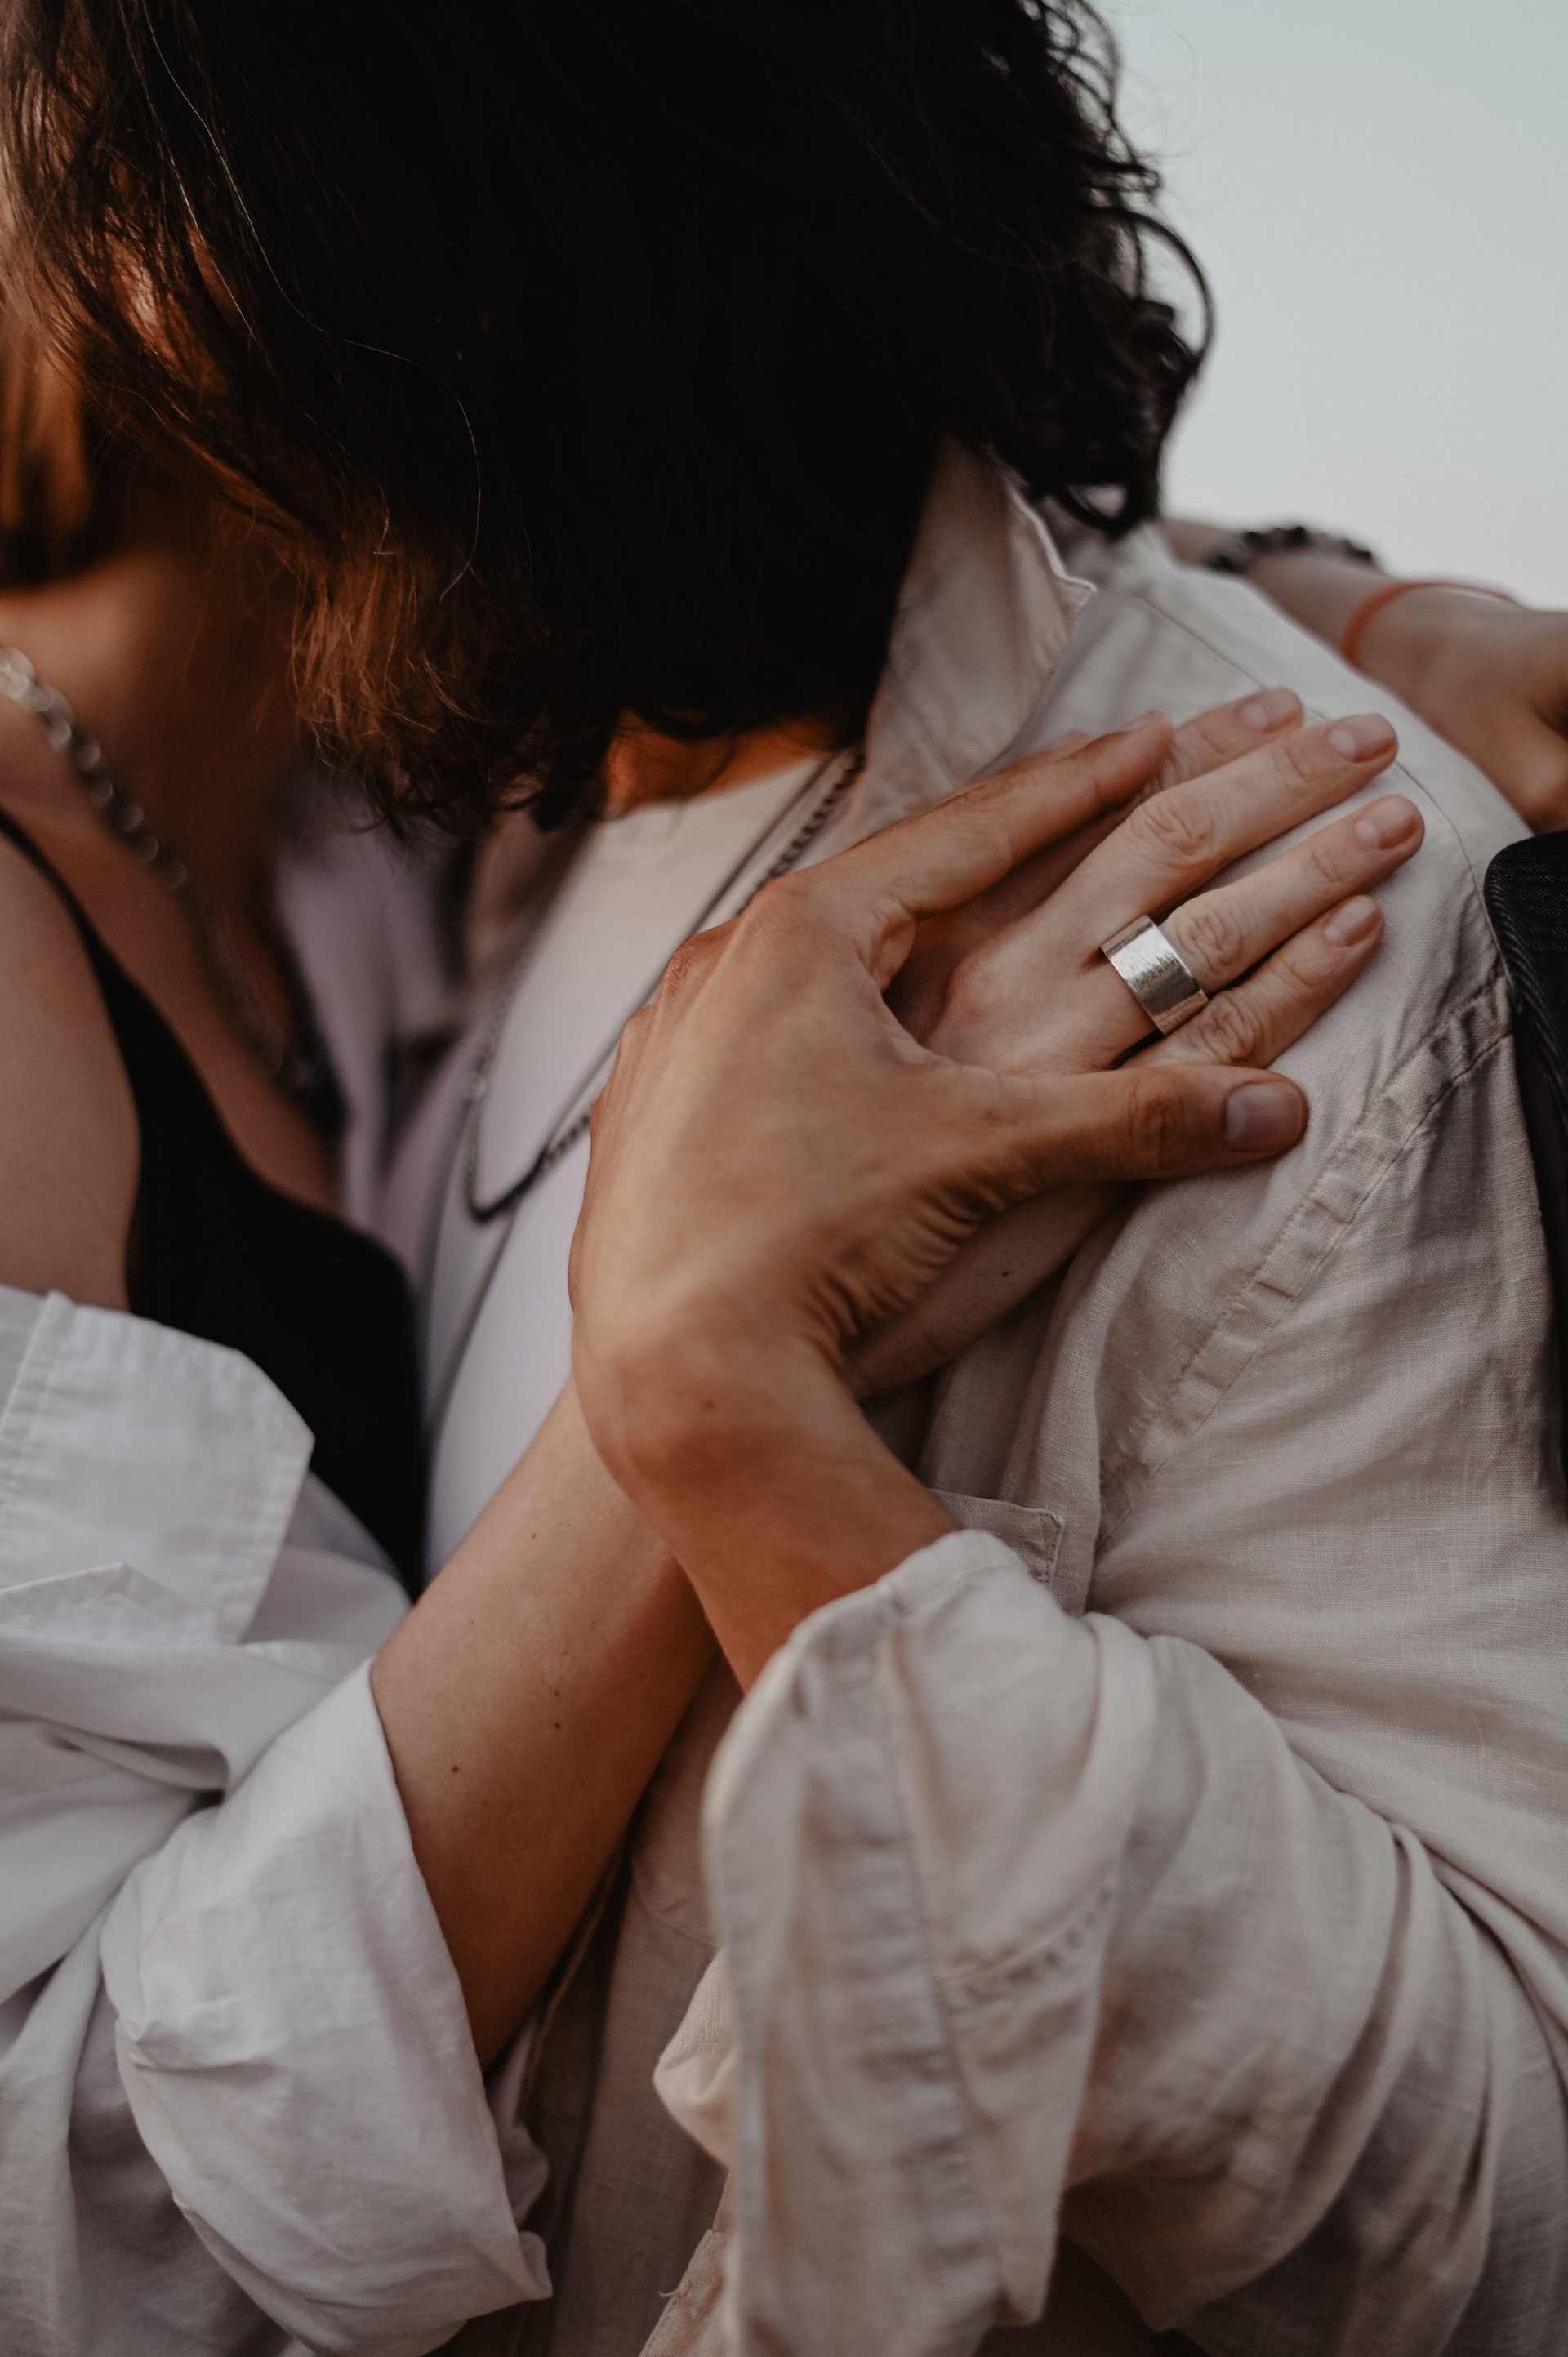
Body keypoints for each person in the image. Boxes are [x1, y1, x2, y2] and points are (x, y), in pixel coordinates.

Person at [0, 9, 1561, 2357]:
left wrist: (746, 1437)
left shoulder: (1295, 949)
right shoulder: (460, 750)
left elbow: (1499, 2213)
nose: (82, 265)